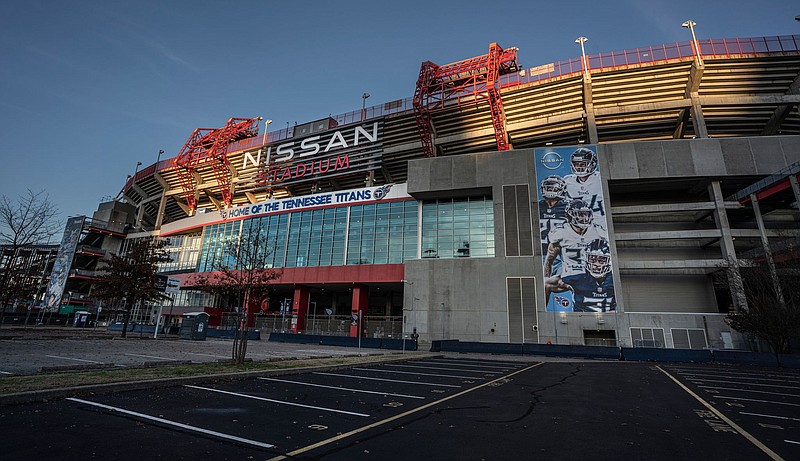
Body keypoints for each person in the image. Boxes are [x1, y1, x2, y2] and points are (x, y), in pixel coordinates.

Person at [543, 199, 607, 304]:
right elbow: (549, 260)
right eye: (581, 215)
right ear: (570, 215)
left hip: (593, 275)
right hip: (570, 275)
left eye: (587, 215)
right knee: (545, 284)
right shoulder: (561, 233)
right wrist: (546, 277)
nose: (585, 218)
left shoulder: (597, 232)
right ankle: (541, 315)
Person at [548, 238, 616, 312]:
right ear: (586, 259)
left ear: (609, 262)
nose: (596, 264)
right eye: (592, 259)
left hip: (610, 321)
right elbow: (547, 284)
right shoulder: (577, 278)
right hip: (580, 321)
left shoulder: (615, 281)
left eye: (602, 260)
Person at [563, 147, 605, 217]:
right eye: (577, 164)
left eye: (583, 164)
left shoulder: (599, 178)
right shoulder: (567, 181)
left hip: (600, 219)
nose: (579, 167)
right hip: (579, 220)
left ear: (593, 164)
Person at [538, 175, 569, 256]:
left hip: (561, 253)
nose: (550, 190)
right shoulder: (536, 206)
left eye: (553, 188)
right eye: (548, 188)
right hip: (540, 252)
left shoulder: (568, 207)